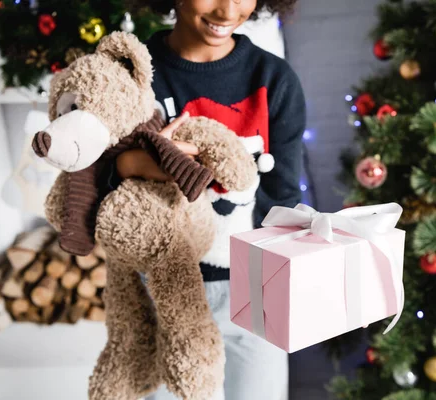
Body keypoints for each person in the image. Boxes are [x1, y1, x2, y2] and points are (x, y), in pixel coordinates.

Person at [113, 1, 305, 399]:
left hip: (255, 294)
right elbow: (92, 181)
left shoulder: (274, 79)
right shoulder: (133, 74)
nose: (227, 11)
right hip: (162, 294)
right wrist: (142, 163)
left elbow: (282, 199)